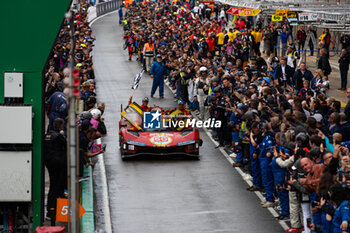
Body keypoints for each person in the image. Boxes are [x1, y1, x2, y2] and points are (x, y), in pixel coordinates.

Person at [44, 118, 67, 222]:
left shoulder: (47, 136)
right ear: (61, 126)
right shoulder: (59, 137)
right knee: (58, 188)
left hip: (49, 164)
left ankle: (50, 211)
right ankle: (55, 211)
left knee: (53, 187)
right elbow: (67, 147)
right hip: (59, 165)